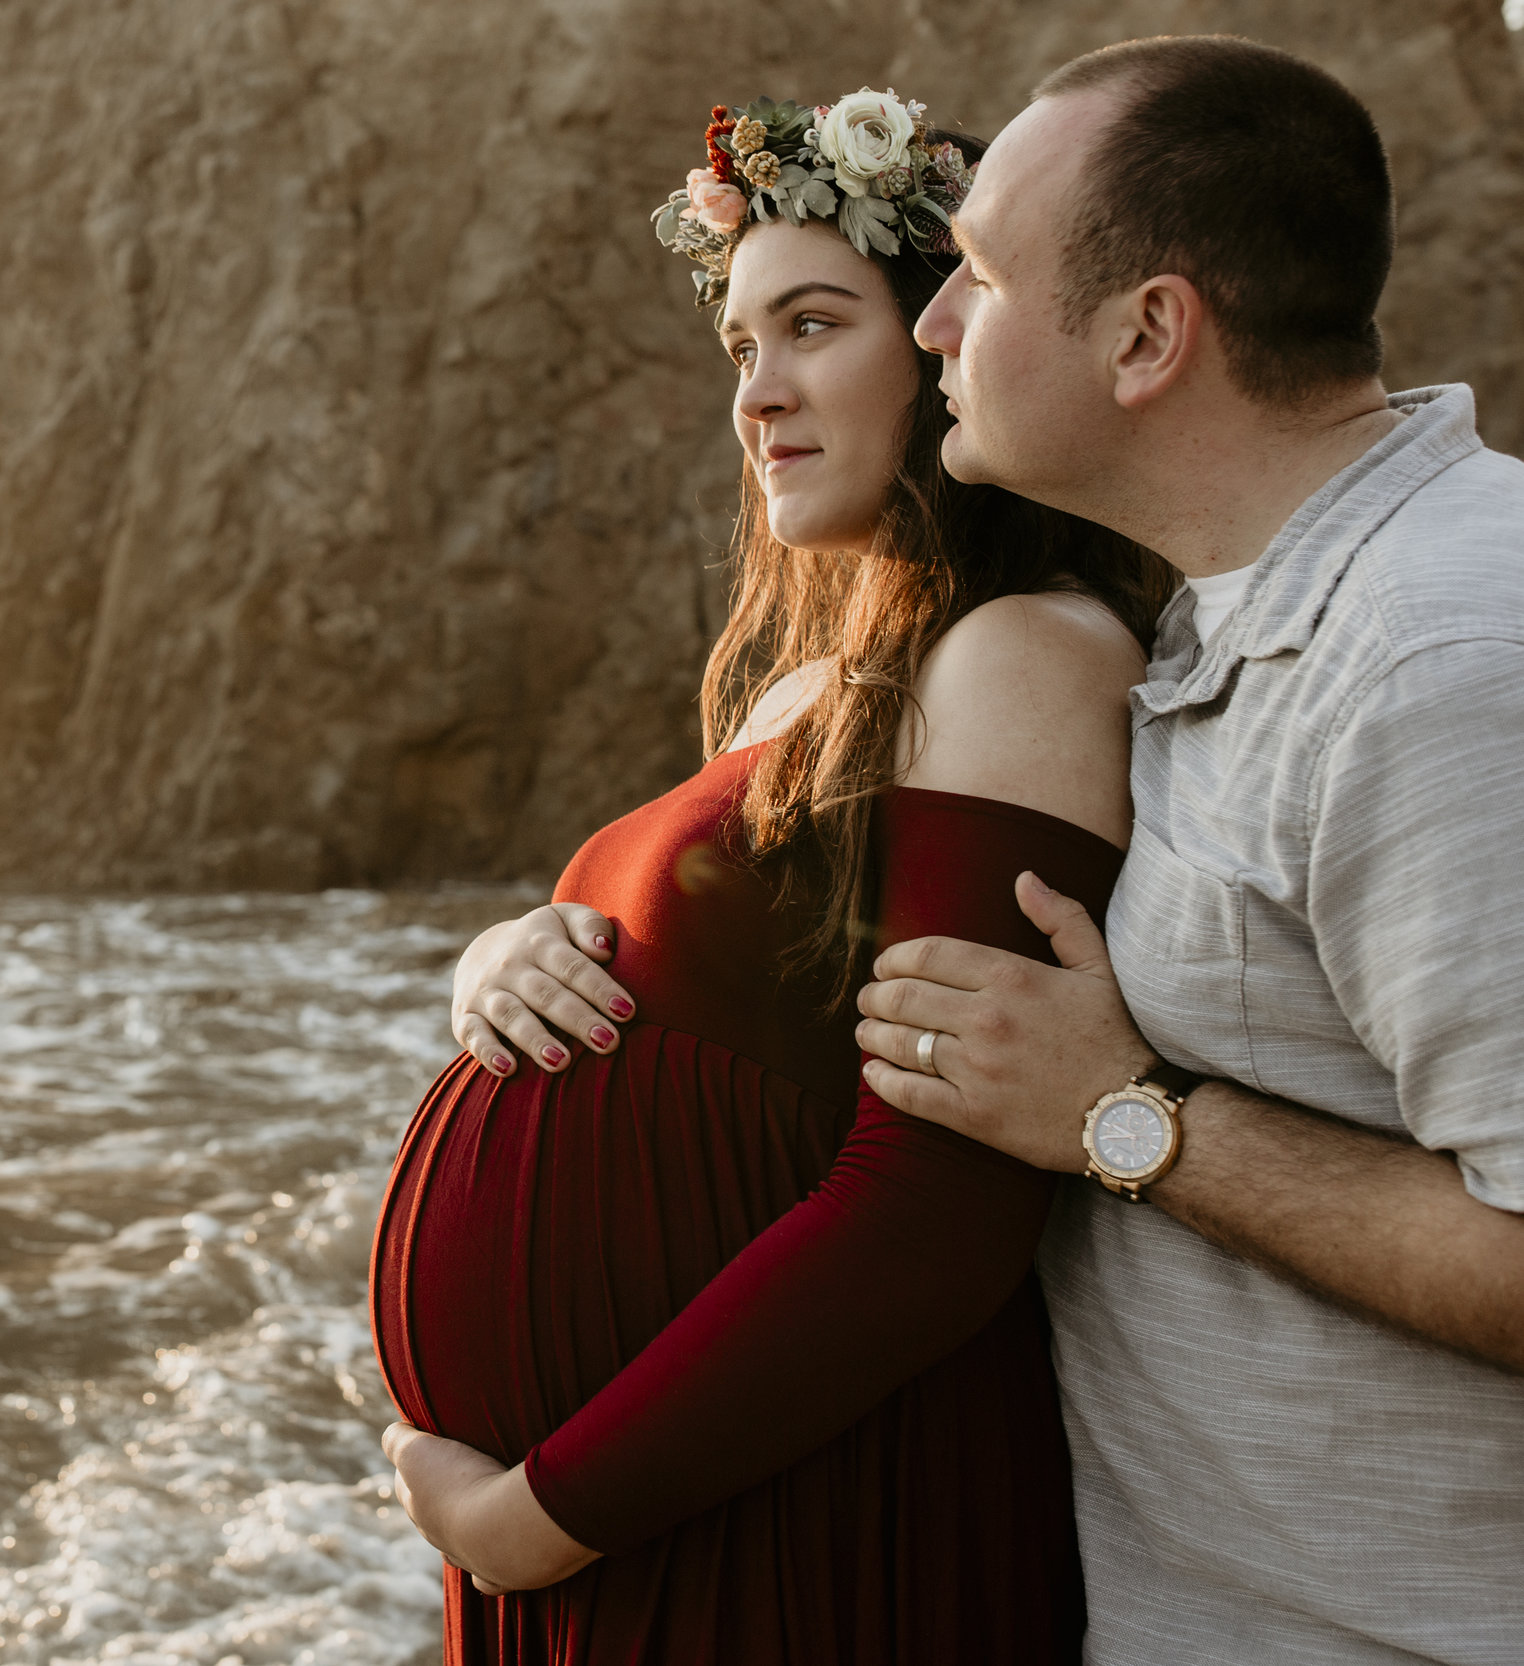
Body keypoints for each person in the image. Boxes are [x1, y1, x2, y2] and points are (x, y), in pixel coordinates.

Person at [367, 89, 1172, 1661]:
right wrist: (501, 959)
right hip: (664, 1519)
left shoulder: (1018, 656)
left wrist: (539, 1514)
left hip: (784, 1529)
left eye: (812, 325)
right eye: (742, 346)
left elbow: (934, 1208)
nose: (759, 392)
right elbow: (700, 986)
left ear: (952, 334)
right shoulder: (810, 691)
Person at [833, 37, 1524, 1666]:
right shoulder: (1254, 603)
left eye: (982, 275)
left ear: (1150, 333)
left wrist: (1129, 1119)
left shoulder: (1437, 668)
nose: (930, 320)